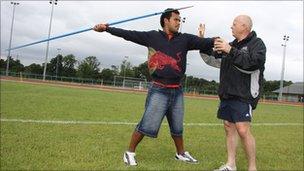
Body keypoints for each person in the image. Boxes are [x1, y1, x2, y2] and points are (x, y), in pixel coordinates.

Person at [94, 8, 215, 166]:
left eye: (180, 20)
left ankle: (180, 153)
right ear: (166, 20)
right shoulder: (152, 36)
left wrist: (230, 43)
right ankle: (129, 152)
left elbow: (207, 42)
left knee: (177, 127)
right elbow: (128, 34)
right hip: (159, 89)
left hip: (177, 90)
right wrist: (107, 28)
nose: (179, 23)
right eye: (176, 20)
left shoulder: (185, 39)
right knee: (147, 125)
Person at [199, 15, 266, 171]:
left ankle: (252, 167)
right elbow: (211, 58)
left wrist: (230, 50)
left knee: (242, 129)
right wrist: (201, 40)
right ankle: (231, 164)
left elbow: (253, 63)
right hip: (227, 93)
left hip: (245, 94)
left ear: (244, 26)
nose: (231, 26)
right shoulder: (229, 46)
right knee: (229, 126)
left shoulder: (257, 44)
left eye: (234, 24)